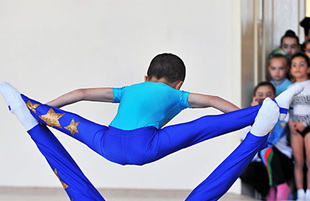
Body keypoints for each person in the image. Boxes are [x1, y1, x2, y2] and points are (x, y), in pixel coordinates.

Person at [0, 53, 303, 201]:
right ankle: (259, 120)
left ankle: (29, 112)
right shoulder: (177, 93)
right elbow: (213, 101)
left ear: (146, 78)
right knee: (203, 127)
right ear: (179, 82)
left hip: (107, 143)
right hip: (145, 146)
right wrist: (244, 120)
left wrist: (47, 110)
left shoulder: (129, 88)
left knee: (71, 131)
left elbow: (80, 93)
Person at [240, 82, 294, 200]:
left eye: (269, 95)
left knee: (267, 149)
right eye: (260, 95)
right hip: (261, 166)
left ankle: (280, 188)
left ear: (275, 97)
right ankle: (270, 193)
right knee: (244, 170)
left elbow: (271, 137)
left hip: (282, 162)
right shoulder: (248, 117)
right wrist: (255, 112)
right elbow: (247, 139)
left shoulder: (284, 115)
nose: (265, 98)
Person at [288, 52, 310, 200]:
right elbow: (288, 108)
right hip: (295, 128)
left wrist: (305, 123)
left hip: (308, 127)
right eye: (294, 65)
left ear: (308, 69)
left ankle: (309, 192)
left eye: (302, 65)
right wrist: (291, 123)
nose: (297, 68)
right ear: (290, 69)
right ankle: (300, 192)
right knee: (298, 160)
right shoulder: (290, 88)